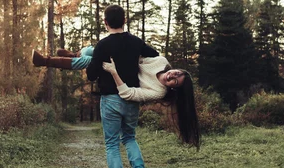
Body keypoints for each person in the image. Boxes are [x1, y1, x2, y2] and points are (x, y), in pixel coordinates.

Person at [32, 50, 201, 148]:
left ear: (173, 87)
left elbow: (130, 94)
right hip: (124, 61)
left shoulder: (159, 92)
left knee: (90, 60)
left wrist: (114, 72)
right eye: (177, 73)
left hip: (121, 77)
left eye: (175, 81)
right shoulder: (161, 61)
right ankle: (73, 54)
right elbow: (139, 56)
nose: (172, 76)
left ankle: (45, 61)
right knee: (93, 50)